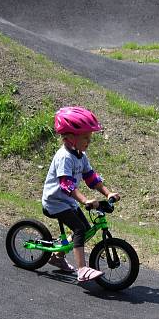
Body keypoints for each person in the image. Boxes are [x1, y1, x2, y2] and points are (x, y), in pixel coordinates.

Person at [41, 107, 120, 283]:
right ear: (70, 137)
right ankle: (82, 269)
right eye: (85, 137)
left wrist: (108, 193)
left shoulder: (80, 155)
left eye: (89, 137)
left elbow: (91, 178)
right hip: (55, 202)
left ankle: (56, 256)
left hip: (68, 202)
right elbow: (66, 185)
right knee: (78, 229)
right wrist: (85, 200)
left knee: (84, 230)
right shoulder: (64, 157)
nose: (88, 141)